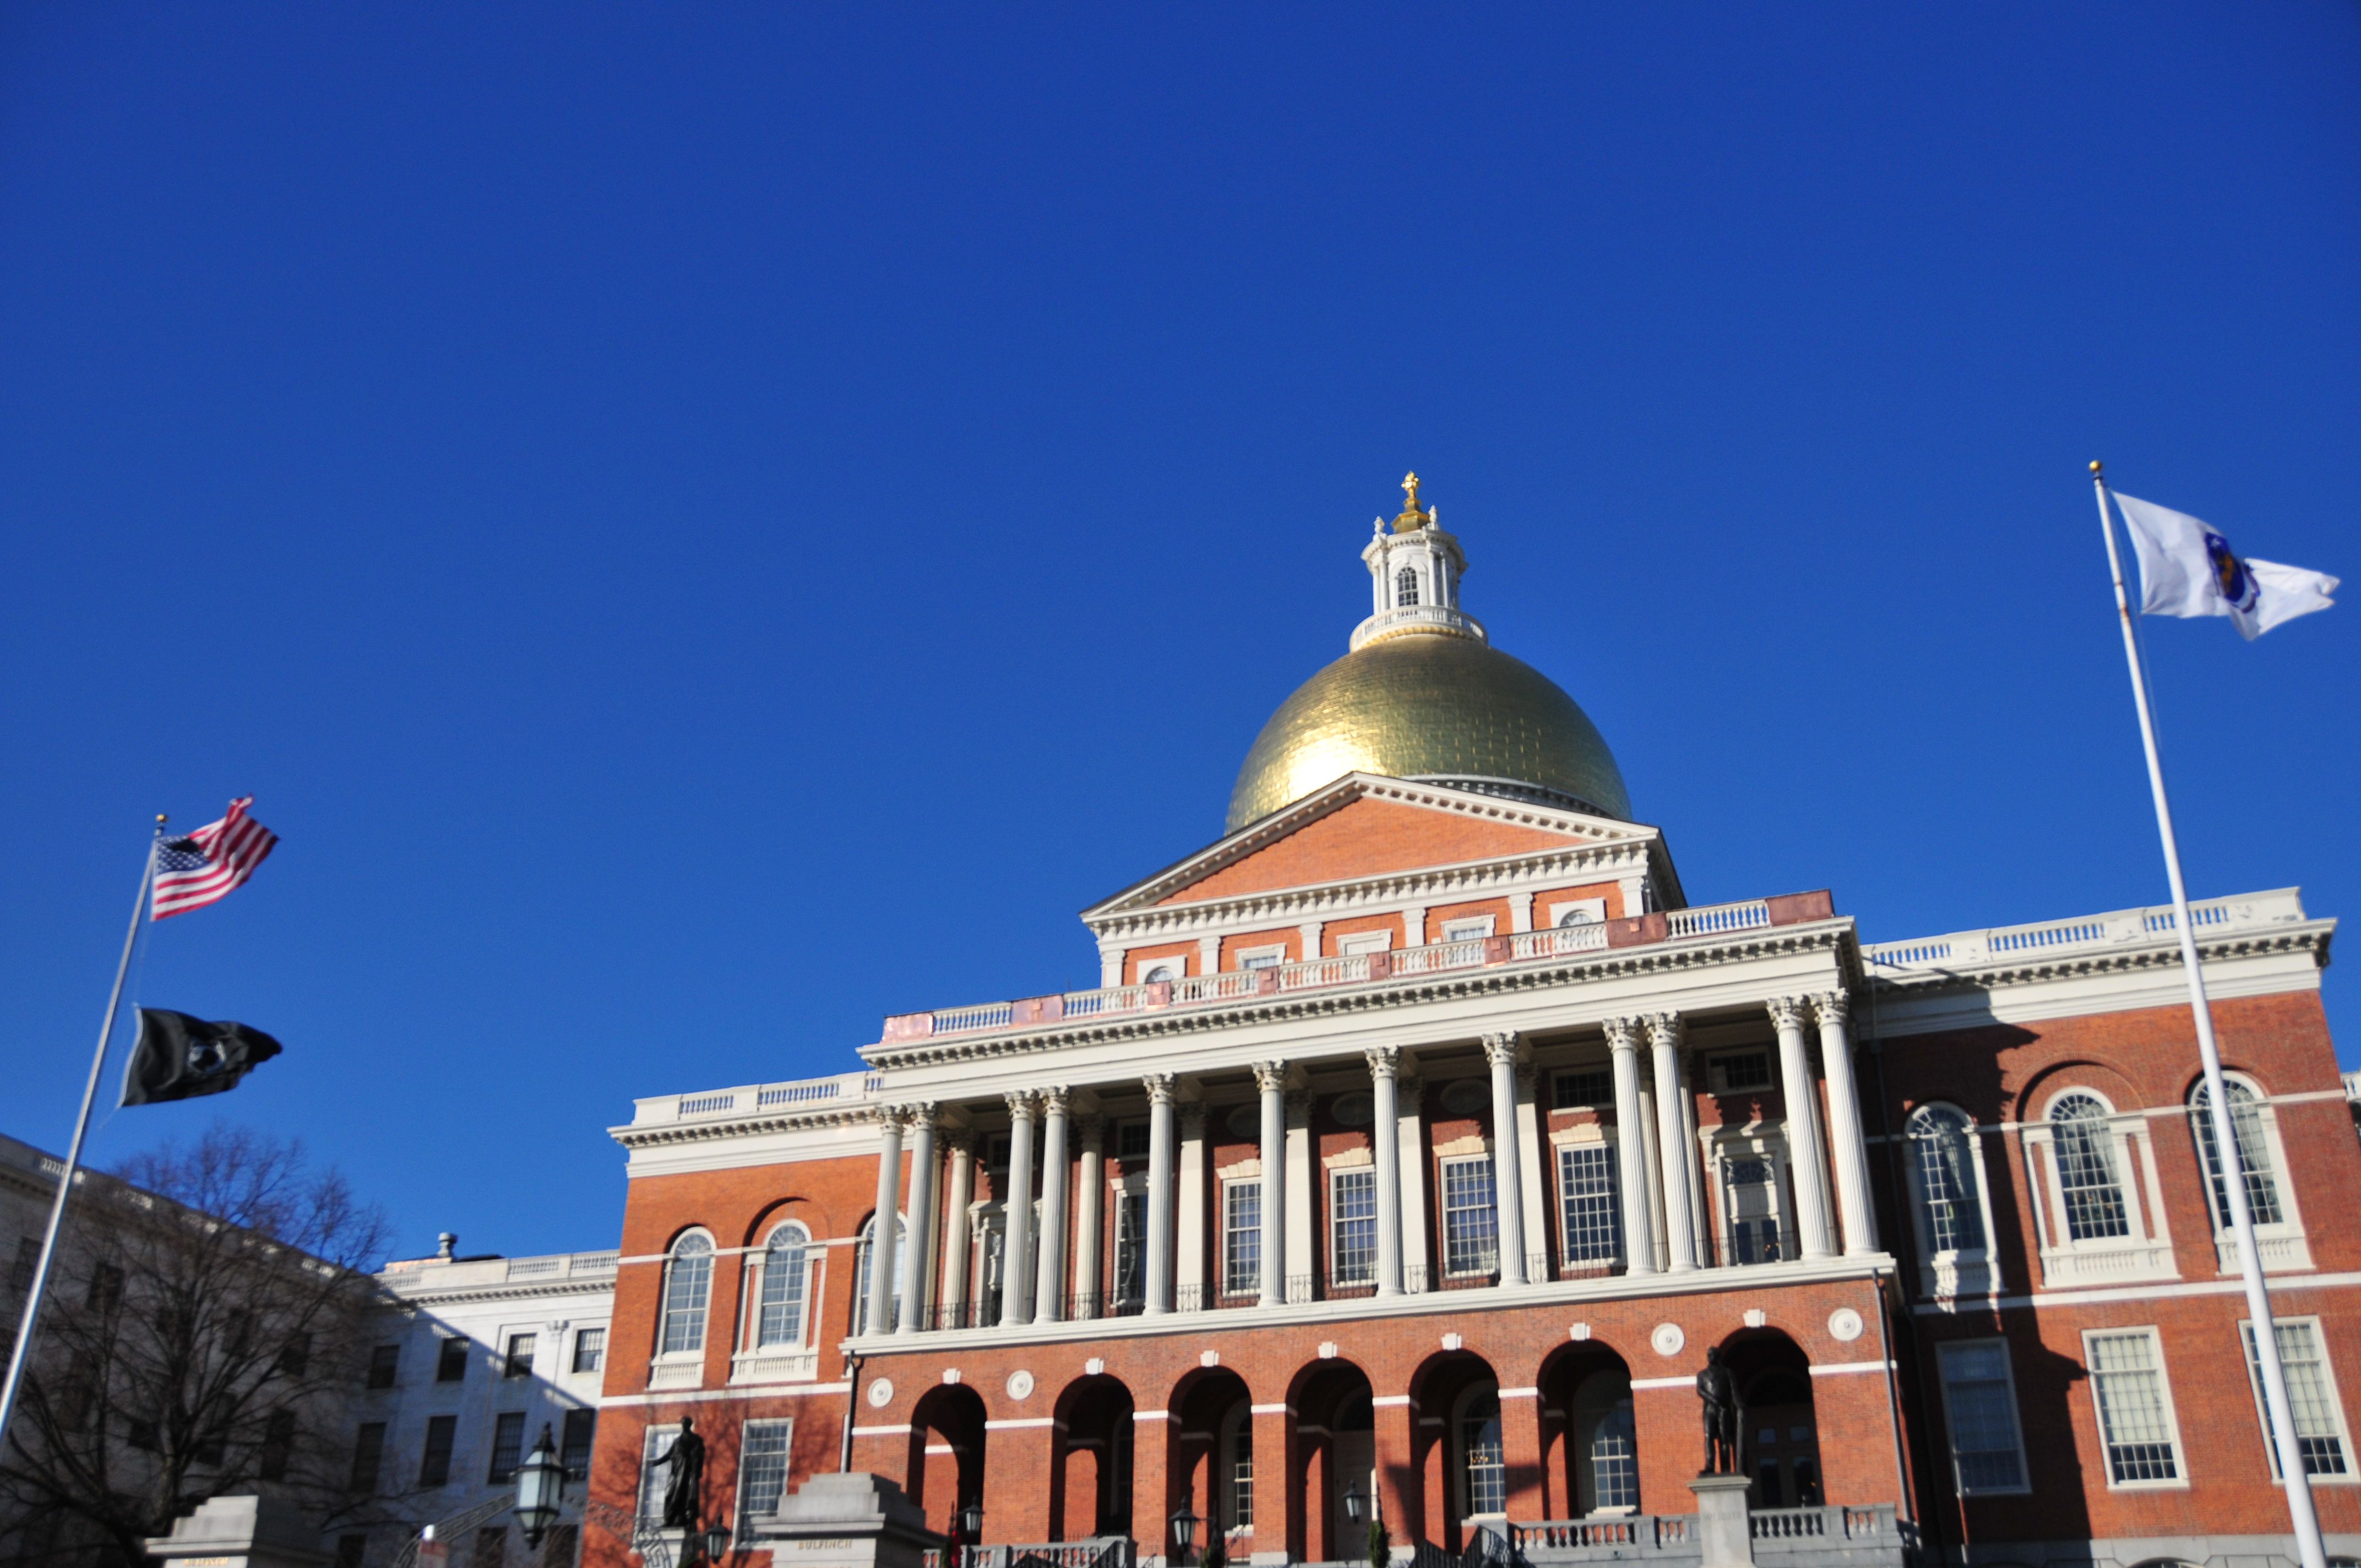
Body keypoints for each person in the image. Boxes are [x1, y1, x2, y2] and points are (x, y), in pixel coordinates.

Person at [657, 1415, 708, 1529]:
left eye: (685, 1424)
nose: (683, 1426)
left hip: (688, 1475)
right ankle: (669, 1520)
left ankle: (681, 1520)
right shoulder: (677, 1441)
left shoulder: (696, 1440)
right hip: (676, 1473)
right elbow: (669, 1455)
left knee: (685, 1498)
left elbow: (700, 1456)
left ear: (689, 1425)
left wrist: (696, 1469)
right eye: (682, 1424)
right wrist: (657, 1462)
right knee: (669, 1494)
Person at [1695, 1347, 1738, 1474]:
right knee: (1709, 1436)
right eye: (1709, 1355)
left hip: (1724, 1409)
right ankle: (1710, 1466)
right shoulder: (1702, 1375)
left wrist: (1739, 1404)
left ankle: (1726, 1467)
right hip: (1710, 1409)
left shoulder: (1727, 1373)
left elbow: (1733, 1390)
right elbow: (1700, 1390)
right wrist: (1713, 1399)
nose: (1711, 1357)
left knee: (1724, 1438)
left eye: (1713, 1355)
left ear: (1718, 1357)